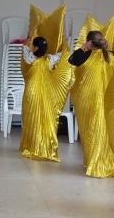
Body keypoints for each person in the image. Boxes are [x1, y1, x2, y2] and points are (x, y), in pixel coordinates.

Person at [19, 30, 70, 162]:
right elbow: (64, 54)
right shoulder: (50, 59)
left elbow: (24, 47)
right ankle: (43, 145)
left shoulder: (29, 57)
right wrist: (64, 40)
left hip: (31, 92)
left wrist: (29, 36)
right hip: (46, 93)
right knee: (43, 118)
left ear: (35, 47)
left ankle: (32, 145)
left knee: (31, 118)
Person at [69, 30, 114, 177]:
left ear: (89, 41)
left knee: (89, 131)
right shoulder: (109, 56)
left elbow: (71, 60)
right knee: (101, 129)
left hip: (87, 100)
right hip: (103, 99)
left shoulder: (83, 55)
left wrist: (84, 46)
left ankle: (94, 162)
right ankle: (102, 160)